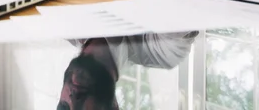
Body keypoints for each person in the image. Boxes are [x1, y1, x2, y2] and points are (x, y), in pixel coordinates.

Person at [58, 31, 199, 110]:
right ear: (113, 107)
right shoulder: (163, 52)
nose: (72, 100)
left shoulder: (59, 23)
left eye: (63, 108)